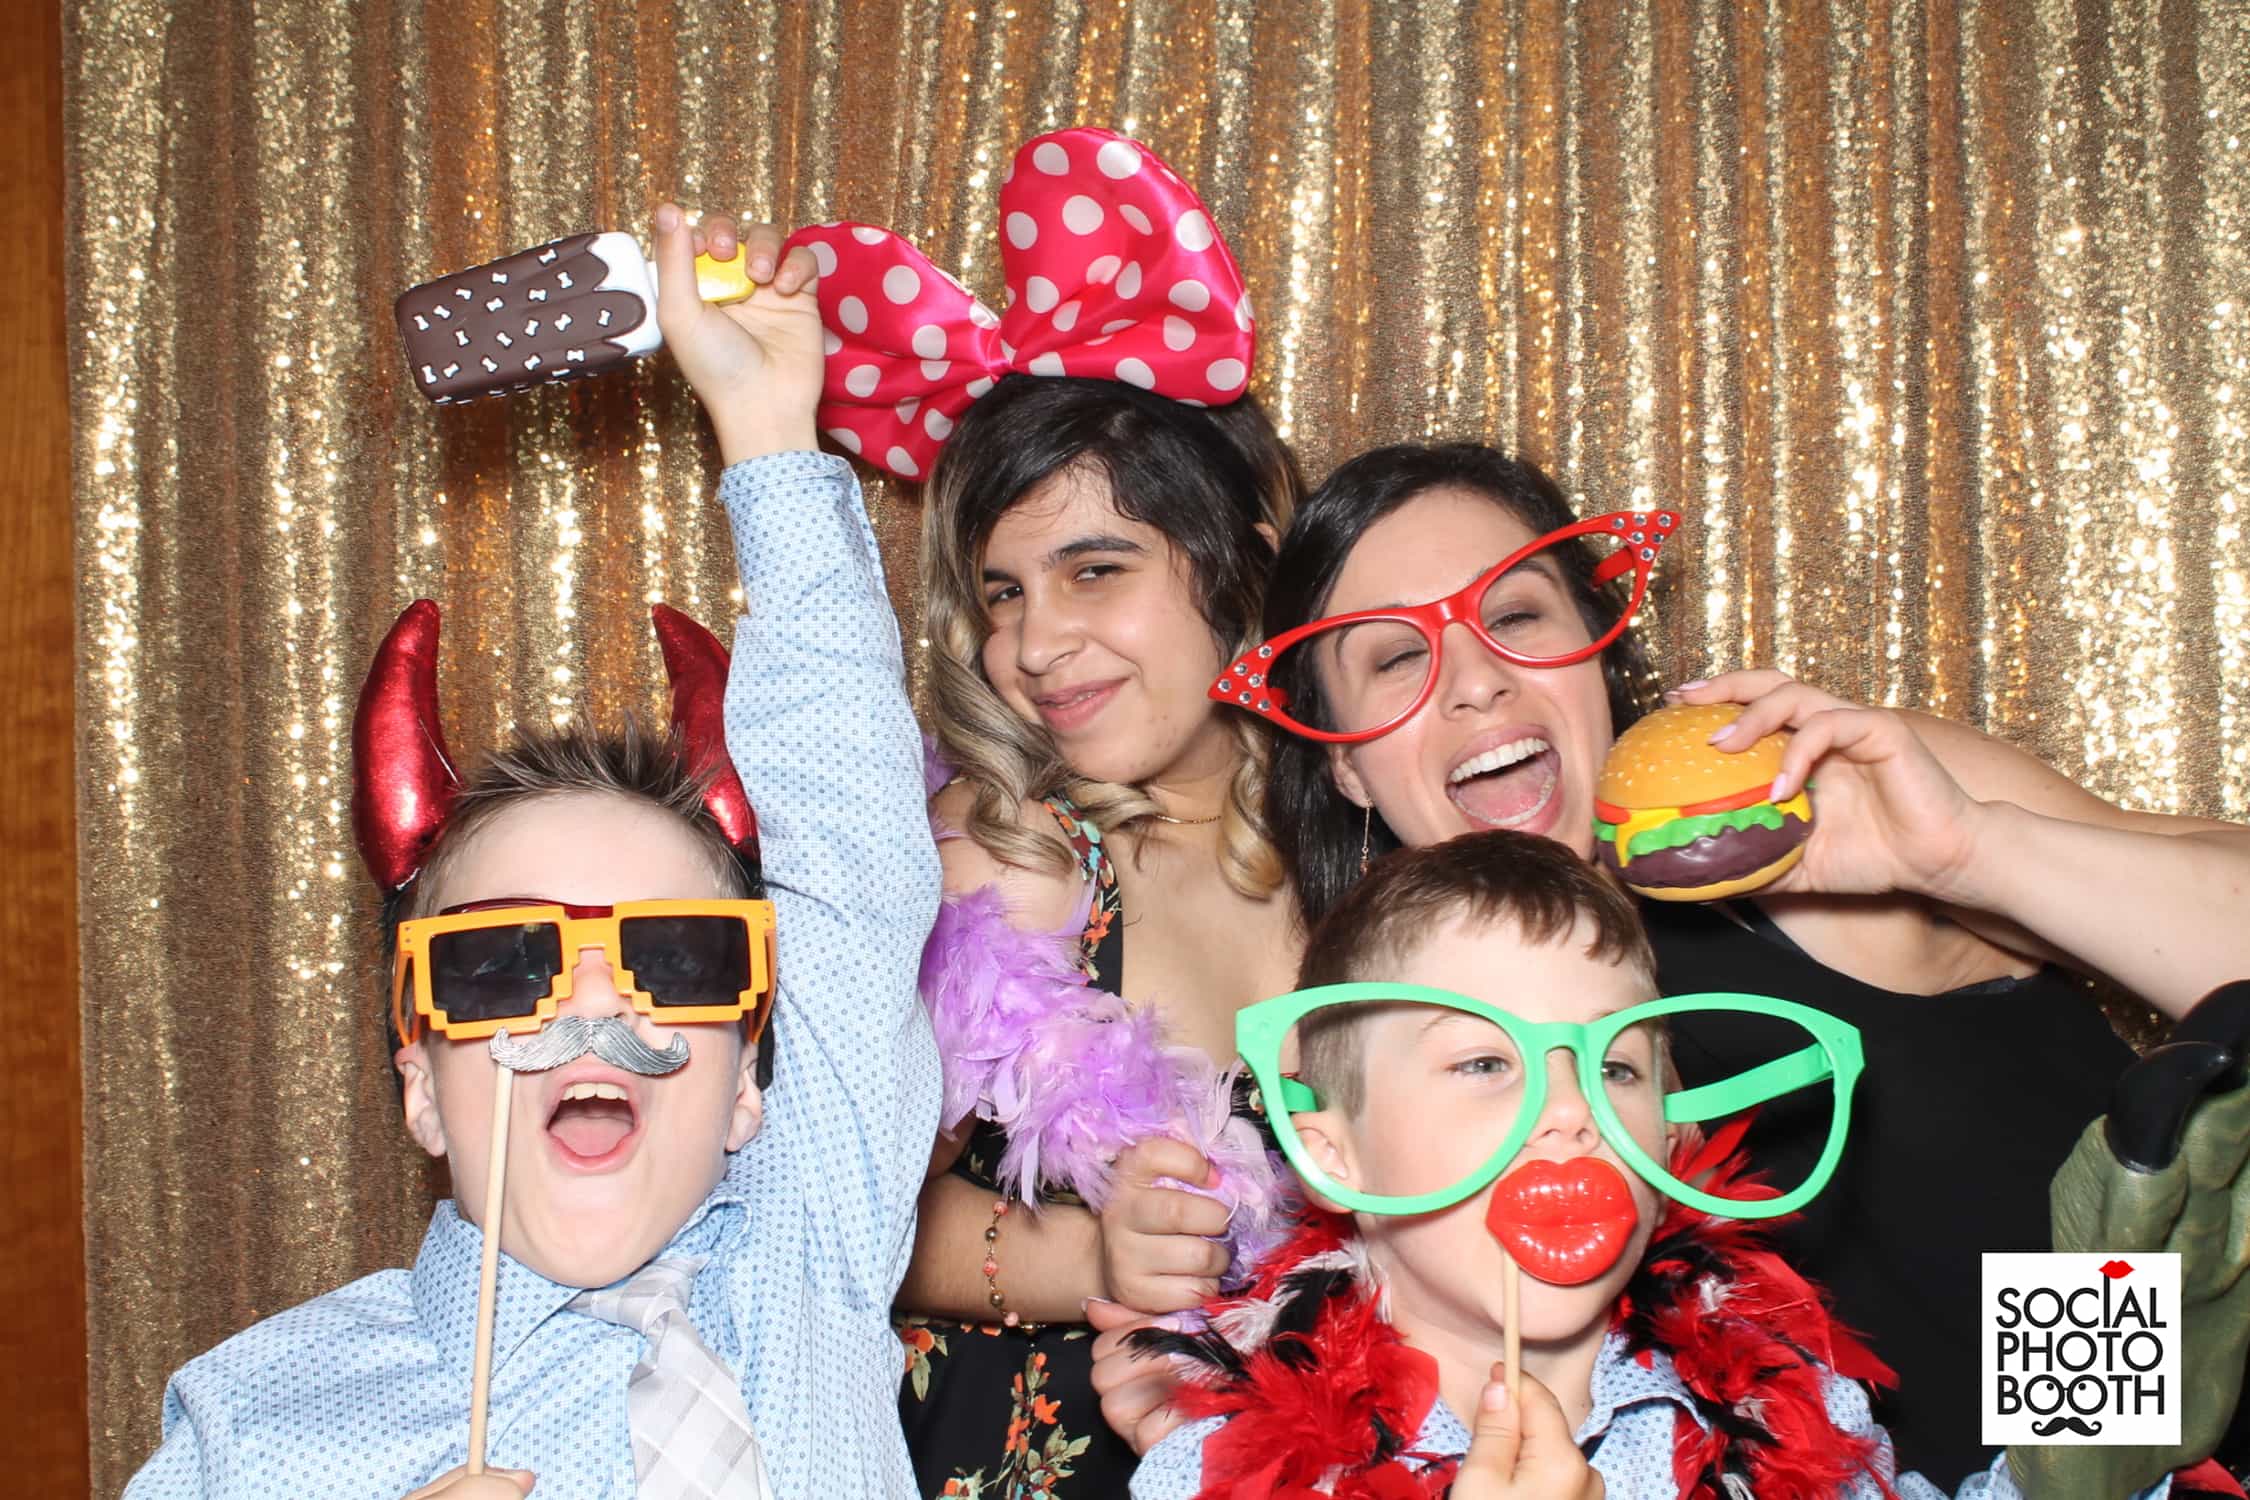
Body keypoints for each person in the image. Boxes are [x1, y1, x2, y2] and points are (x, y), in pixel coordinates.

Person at [1232, 439, 2250, 1479]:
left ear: (1595, 649)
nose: (1477, 682)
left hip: (2157, 1448)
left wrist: (1966, 855)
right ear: (1345, 764)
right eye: (1396, 659)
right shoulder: (1371, 1051)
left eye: (1518, 615)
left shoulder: (1801, 804)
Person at [126, 208, 942, 1496]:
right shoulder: (253, 1428)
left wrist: (767, 426)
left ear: (747, 1086)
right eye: (504, 963)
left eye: (678, 954)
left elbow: (854, 851)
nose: (594, 1004)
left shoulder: (811, 1253)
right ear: (418, 1086)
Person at [788, 127, 1308, 1495]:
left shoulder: (1361, 842)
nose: (1033, 645)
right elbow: (824, 1220)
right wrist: (1089, 1257)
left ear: (1244, 567)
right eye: (1003, 593)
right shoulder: (1003, 863)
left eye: (1096, 570)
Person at [1129, 830, 2138, 1499]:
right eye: (1485, 1063)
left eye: (1615, 1066)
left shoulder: (1794, 1411)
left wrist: (2105, 1390)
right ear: (1328, 1149)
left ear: (1666, 1141)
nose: (1573, 1114)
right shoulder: (1209, 1474)